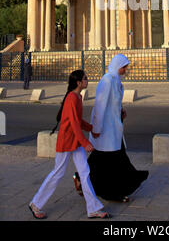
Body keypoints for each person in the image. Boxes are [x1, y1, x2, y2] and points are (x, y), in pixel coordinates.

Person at [28, 70, 111, 220]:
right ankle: (35, 203)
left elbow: (78, 120)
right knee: (57, 173)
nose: (87, 80)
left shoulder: (77, 97)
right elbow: (73, 124)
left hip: (75, 141)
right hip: (67, 141)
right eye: (85, 78)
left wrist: (92, 129)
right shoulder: (72, 98)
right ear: (78, 82)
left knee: (85, 173)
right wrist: (85, 143)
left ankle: (93, 208)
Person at [73, 54, 149, 202]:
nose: (125, 69)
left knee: (104, 159)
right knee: (114, 159)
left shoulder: (117, 81)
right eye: (124, 67)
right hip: (106, 129)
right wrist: (96, 128)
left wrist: (120, 111)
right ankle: (113, 192)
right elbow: (100, 106)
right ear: (117, 66)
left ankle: (83, 179)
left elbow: (113, 103)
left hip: (114, 128)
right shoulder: (107, 81)